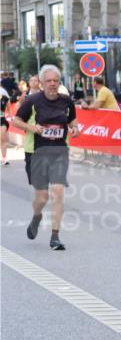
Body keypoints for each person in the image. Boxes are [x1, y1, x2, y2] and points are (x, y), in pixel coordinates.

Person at [12, 65, 80, 250]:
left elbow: (72, 120)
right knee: (42, 198)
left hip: (59, 151)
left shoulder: (66, 101)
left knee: (58, 194)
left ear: (59, 82)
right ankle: (37, 216)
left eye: (55, 81)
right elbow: (16, 120)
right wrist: (31, 127)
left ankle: (55, 236)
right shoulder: (32, 101)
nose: (52, 84)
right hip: (35, 152)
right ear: (41, 83)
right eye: (48, 81)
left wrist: (75, 128)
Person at [0, 84, 10, 166]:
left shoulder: (4, 96)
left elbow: (9, 108)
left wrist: (11, 118)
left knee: (3, 138)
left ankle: (4, 158)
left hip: (2, 119)